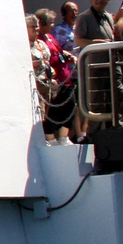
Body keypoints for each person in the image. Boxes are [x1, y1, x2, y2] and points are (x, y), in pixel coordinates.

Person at [36, 9, 75, 143]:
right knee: (54, 109)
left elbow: (58, 50)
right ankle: (50, 136)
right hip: (54, 79)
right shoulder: (38, 39)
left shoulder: (50, 37)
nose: (53, 25)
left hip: (65, 77)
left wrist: (66, 56)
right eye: (50, 23)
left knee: (71, 106)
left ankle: (64, 136)